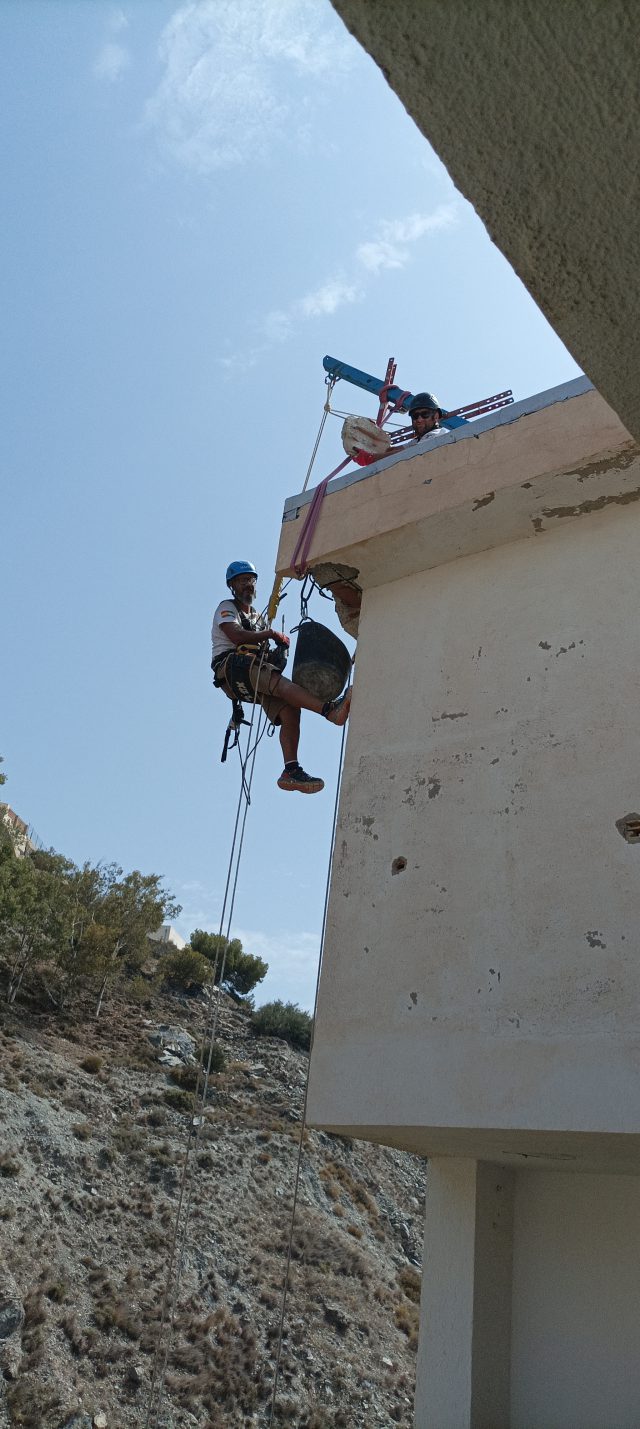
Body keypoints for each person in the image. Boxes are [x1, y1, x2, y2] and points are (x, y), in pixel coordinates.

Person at [212, 561, 351, 795]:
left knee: (289, 708)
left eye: (251, 580)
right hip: (232, 667)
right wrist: (270, 633)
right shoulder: (226, 608)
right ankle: (329, 711)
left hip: (250, 671)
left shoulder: (257, 617)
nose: (248, 585)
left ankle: (290, 770)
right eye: (242, 581)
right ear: (232, 586)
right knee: (279, 683)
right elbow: (235, 635)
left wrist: (278, 652)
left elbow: (263, 649)